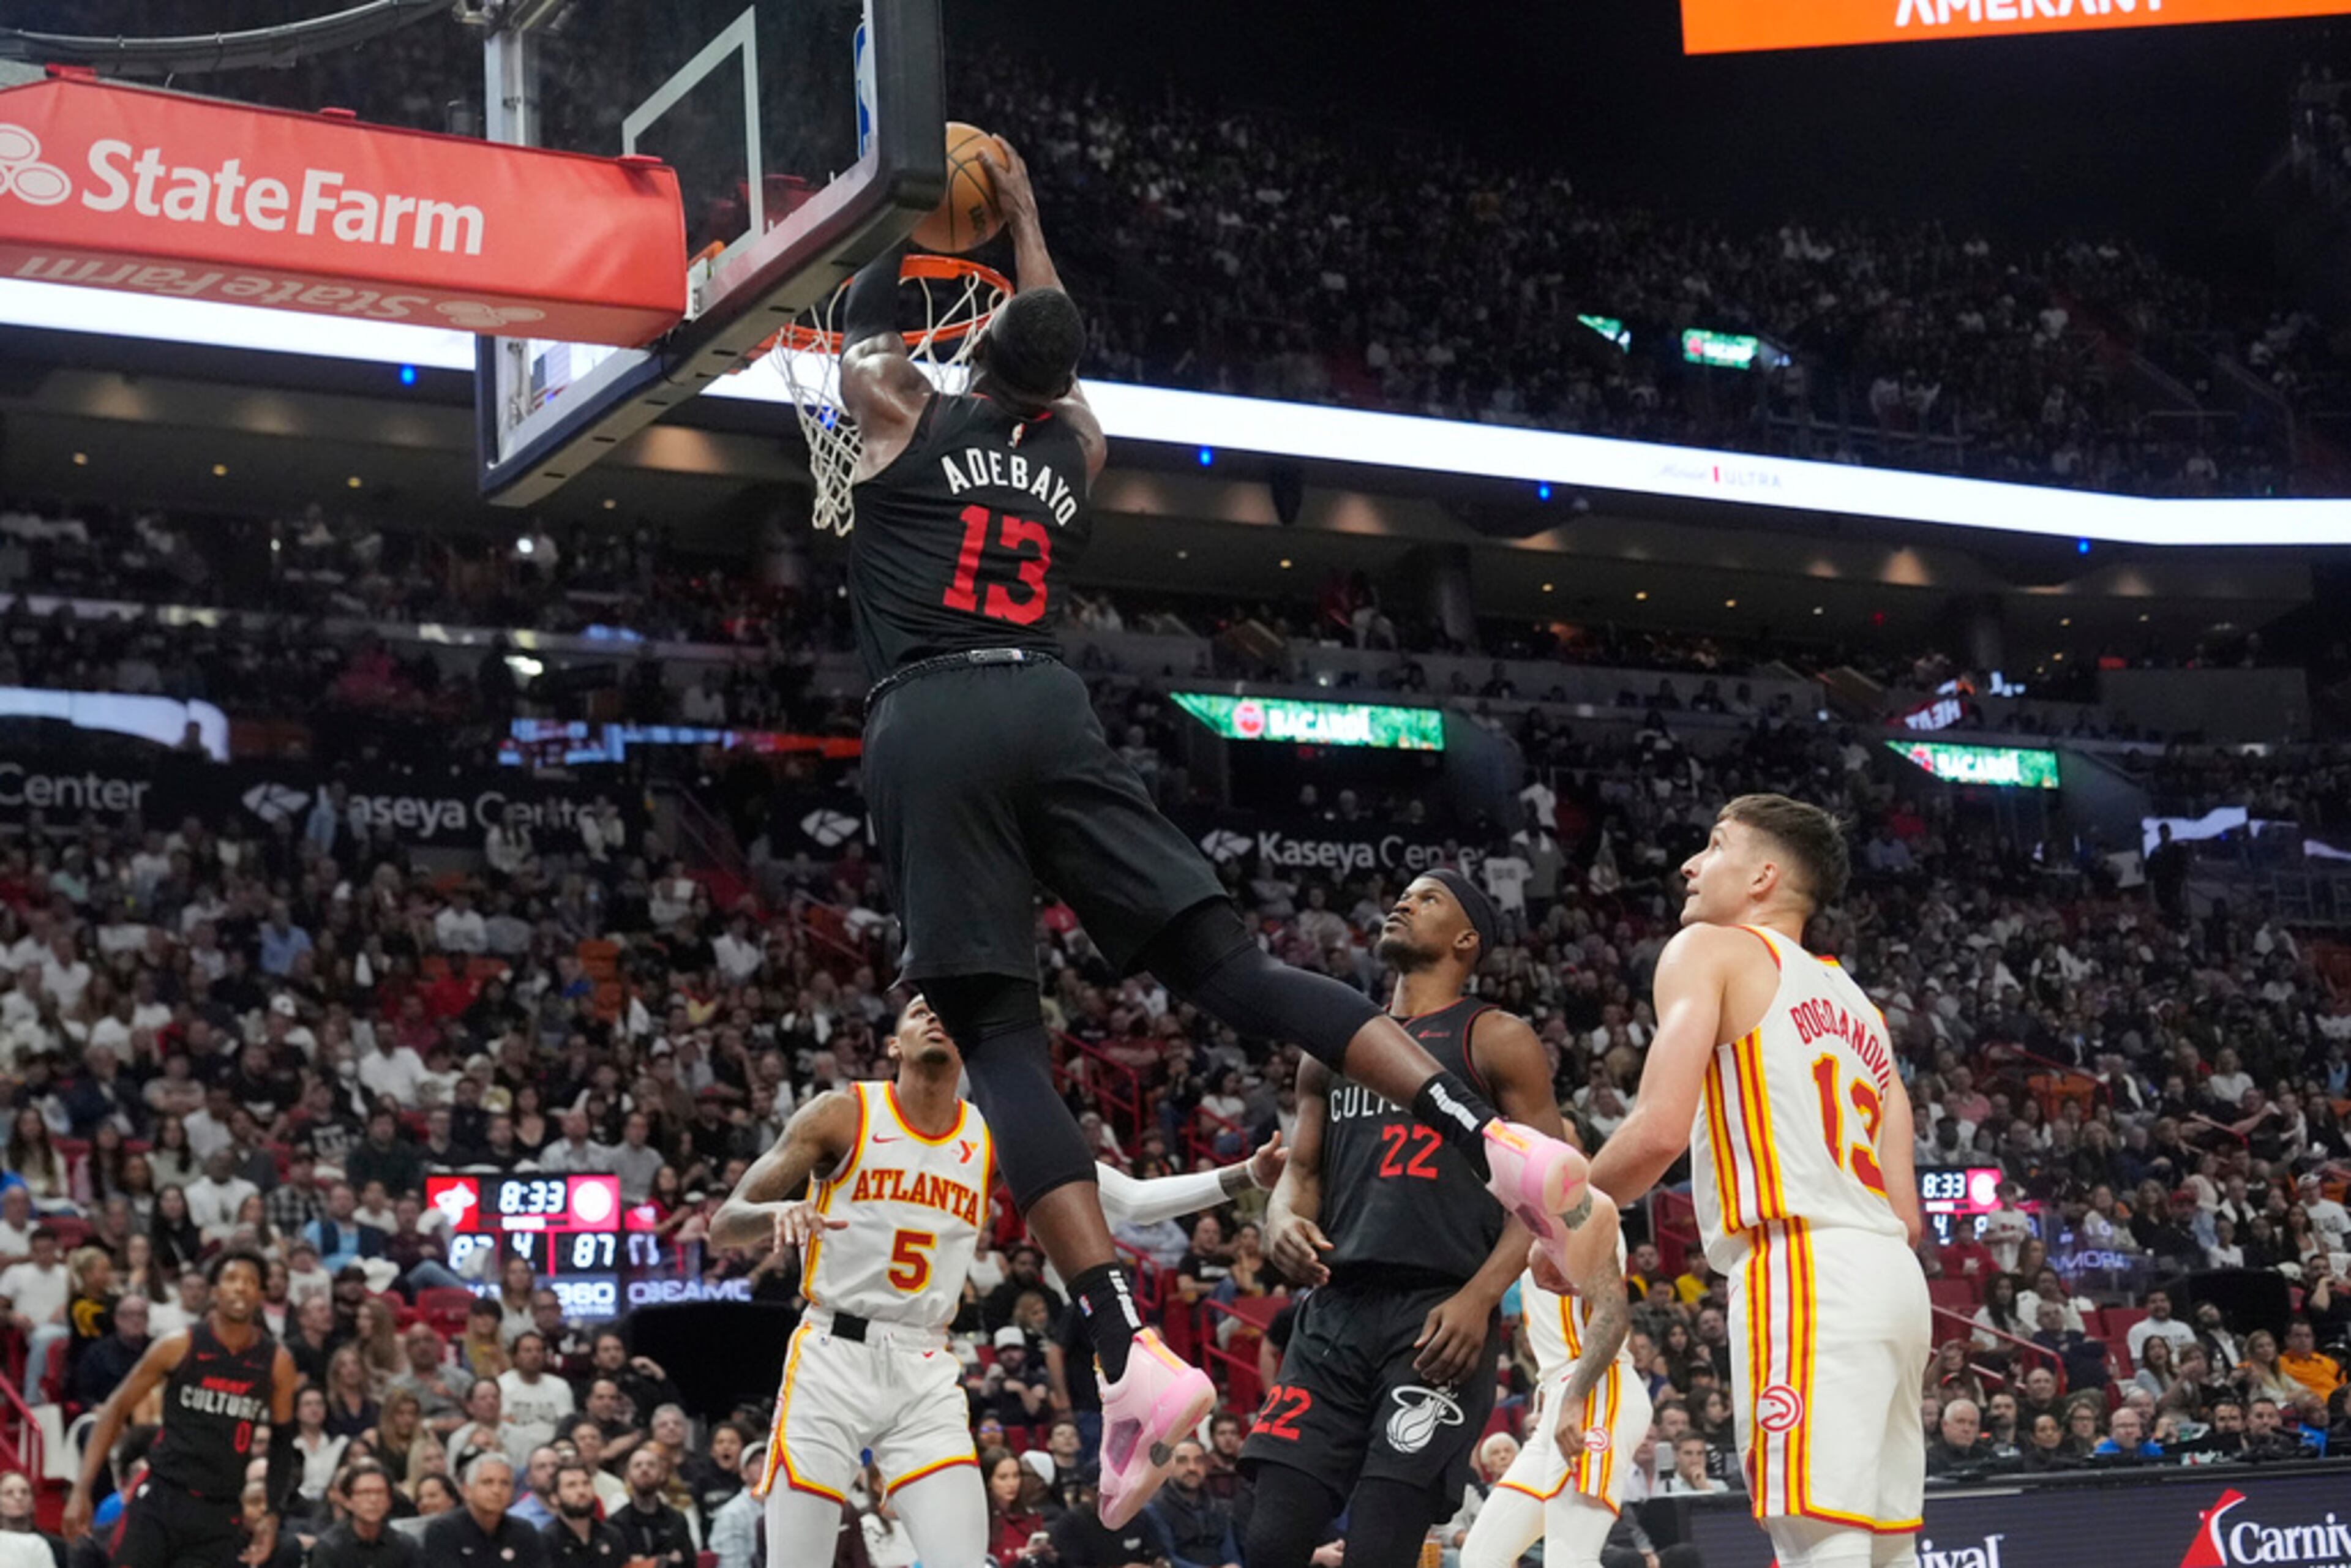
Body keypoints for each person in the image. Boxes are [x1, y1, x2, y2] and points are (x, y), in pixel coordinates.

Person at [828, 135, 1588, 1523]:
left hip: (929, 712)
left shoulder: (898, 410)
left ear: (979, 354)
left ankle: (1127, 1347)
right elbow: (1055, 351)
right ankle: (1489, 1132)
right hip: (1049, 704)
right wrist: (1027, 220)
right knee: (1235, 971)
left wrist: (897, 209)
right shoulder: (1073, 444)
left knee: (999, 1036)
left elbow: (856, 325)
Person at [713, 994, 1285, 1567]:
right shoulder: (842, 1113)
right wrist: (771, 1215)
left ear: (968, 1044)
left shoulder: (993, 1136)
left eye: (946, 1009)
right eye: (918, 1010)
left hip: (924, 1367)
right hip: (832, 1356)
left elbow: (1127, 1199)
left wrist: (1245, 1175)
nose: (935, 1015)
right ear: (893, 1044)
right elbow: (723, 1223)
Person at [1588, 795, 1932, 1568]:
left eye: (1713, 846)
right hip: (1892, 1279)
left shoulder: (1711, 948)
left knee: (1821, 1542)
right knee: (1885, 1547)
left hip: (1805, 1267)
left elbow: (1657, 1130)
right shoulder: (1864, 1010)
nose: (1690, 864)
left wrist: (1558, 1204)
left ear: (1763, 875)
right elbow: (1908, 1215)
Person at [1244, 873, 1605, 1568]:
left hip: (1440, 1317)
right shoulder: (1333, 1040)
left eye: (1428, 897)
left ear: (1467, 939)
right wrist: (1280, 1218)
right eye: (1404, 895)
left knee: (1381, 1549)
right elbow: (1303, 1169)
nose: (1403, 903)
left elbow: (1548, 1191)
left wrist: (1478, 1298)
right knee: (1270, 1543)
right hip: (1334, 1311)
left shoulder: (1497, 1037)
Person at [1460, 1143, 1646, 1568]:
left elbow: (1613, 1315)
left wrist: (1576, 1398)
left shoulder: (1587, 1214)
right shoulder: (1523, 1226)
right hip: (1555, 1400)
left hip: (1597, 1387)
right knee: (1481, 1557)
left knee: (1570, 1558)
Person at [64, 1248, 297, 1567]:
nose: (241, 1287)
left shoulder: (276, 1363)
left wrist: (271, 1515)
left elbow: (282, 1443)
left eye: (250, 1281)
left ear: (260, 1294)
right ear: (215, 1292)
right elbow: (115, 1410)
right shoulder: (179, 1345)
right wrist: (81, 1489)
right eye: (231, 1279)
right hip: (162, 1495)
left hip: (220, 1510)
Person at [421, 1453, 545, 1567]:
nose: (497, 1490)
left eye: (505, 1483)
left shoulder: (524, 1531)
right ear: (467, 1490)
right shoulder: (443, 1531)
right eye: (487, 1482)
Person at [1144, 1439, 1240, 1568]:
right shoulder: (1155, 1509)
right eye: (1182, 1461)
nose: (1192, 1468)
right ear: (1167, 1467)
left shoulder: (1219, 1507)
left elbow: (1231, 1553)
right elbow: (1167, 1559)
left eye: (1199, 1461)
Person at [308, 1460, 418, 1568]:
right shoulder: (329, 1548)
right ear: (348, 1501)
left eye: (380, 1492)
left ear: (389, 1501)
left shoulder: (406, 1547)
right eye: (365, 1493)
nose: (373, 1500)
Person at [609, 1448, 692, 1568]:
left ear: (662, 1474)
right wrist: (662, 1562)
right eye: (638, 1466)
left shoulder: (676, 1520)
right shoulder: (616, 1524)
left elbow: (689, 1563)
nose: (645, 1469)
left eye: (651, 1465)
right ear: (627, 1476)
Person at [539, 1461, 628, 1565]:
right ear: (555, 1498)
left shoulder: (612, 1536)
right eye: (571, 1485)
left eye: (586, 1483)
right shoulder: (546, 1541)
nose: (581, 1491)